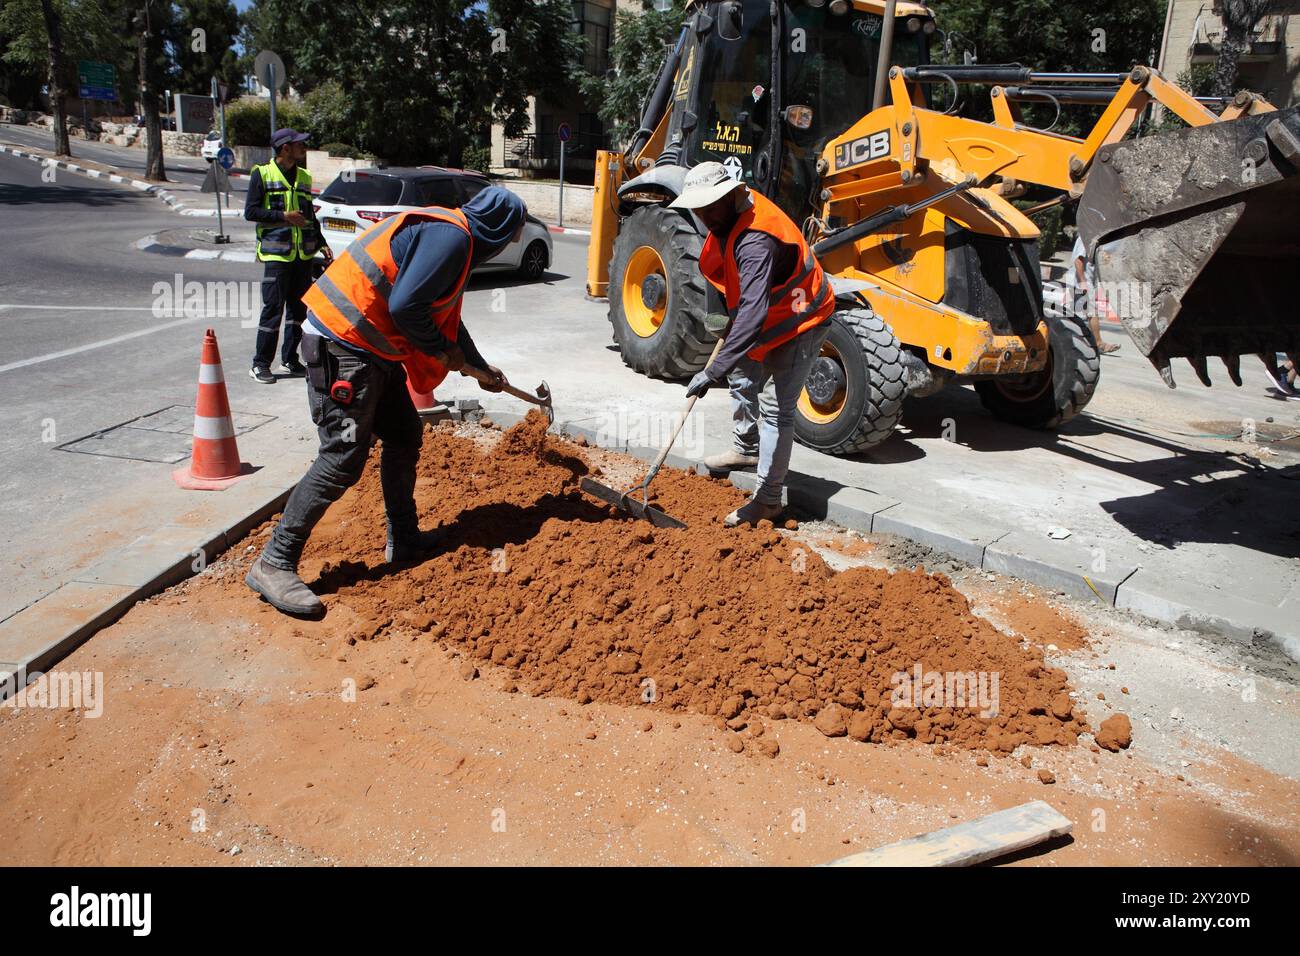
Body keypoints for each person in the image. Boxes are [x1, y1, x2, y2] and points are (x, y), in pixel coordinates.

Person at [244, 186, 528, 616]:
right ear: (499, 226)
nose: (506, 246)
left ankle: (404, 535)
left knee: (403, 434)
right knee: (342, 457)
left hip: (370, 349)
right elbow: (408, 306)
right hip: (343, 343)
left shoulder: (451, 233)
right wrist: (440, 350)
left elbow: (442, 317)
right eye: (510, 237)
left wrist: (480, 367)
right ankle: (274, 561)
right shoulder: (453, 238)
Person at [669, 161, 835, 527]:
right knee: (742, 374)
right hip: (765, 317)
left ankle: (768, 499)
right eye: (697, 208)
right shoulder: (726, 220)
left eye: (709, 206)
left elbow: (754, 314)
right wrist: (722, 332)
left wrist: (711, 370)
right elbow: (724, 287)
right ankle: (745, 450)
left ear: (732, 194)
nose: (703, 215)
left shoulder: (757, 240)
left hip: (801, 317)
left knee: (776, 406)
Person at [244, 127, 330, 384]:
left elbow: (309, 217)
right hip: (276, 256)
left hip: (302, 256)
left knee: (298, 311)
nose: (303, 148)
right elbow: (251, 212)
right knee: (273, 310)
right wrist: (283, 217)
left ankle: (290, 359)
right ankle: (260, 364)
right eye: (299, 145)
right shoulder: (262, 174)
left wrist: (322, 244)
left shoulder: (304, 177)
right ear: (285, 148)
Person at [1066, 233, 1120, 355]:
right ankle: (1099, 343)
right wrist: (1083, 282)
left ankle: (1076, 342)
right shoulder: (1085, 238)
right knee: (1092, 312)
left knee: (1075, 313)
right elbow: (1078, 261)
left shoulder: (1095, 240)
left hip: (1085, 280)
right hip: (1081, 280)